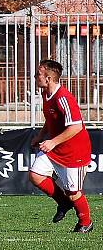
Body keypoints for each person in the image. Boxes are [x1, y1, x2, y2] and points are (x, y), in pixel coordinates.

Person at [29, 59, 93, 233]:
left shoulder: (63, 97)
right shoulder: (45, 94)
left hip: (74, 152)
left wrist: (52, 141)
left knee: (73, 192)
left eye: (38, 74)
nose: (35, 77)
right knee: (35, 175)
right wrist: (41, 136)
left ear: (48, 79)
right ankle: (63, 202)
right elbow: (51, 120)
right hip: (56, 148)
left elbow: (76, 126)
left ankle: (85, 222)